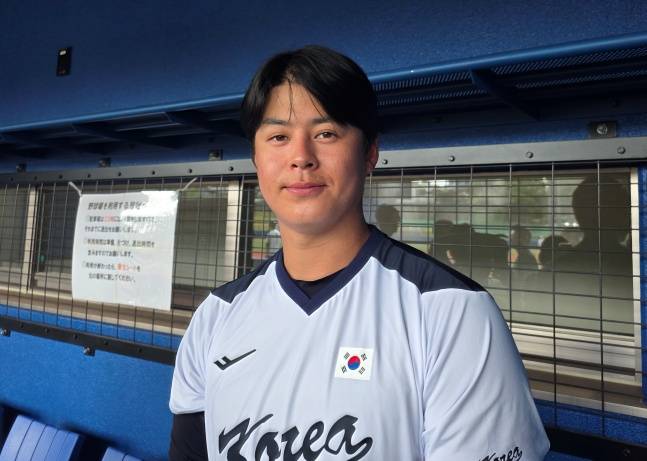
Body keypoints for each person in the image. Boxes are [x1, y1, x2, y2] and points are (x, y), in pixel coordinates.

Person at [169, 45, 549, 460]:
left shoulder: (450, 310)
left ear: (369, 152)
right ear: (257, 158)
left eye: (326, 133)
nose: (301, 157)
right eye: (279, 137)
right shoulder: (215, 317)